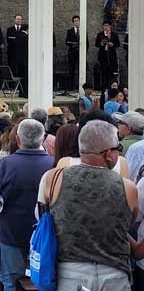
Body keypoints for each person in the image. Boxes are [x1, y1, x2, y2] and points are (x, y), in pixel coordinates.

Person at [40, 120, 136, 290]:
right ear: (108, 154)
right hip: (114, 274)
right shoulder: (128, 188)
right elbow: (128, 224)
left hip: (69, 272)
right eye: (117, 149)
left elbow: (41, 216)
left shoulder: (53, 179)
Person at [0, 120, 52, 290]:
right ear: (42, 139)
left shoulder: (5, 164)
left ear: (18, 140)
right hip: (44, 236)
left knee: (11, 281)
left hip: (11, 233)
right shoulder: (53, 165)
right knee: (42, 282)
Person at [5, 15, 28, 97]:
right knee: (15, 70)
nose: (19, 20)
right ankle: (13, 87)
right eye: (17, 19)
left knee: (20, 73)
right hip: (13, 54)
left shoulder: (21, 32)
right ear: (14, 20)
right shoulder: (10, 29)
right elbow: (9, 40)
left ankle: (20, 89)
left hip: (19, 56)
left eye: (20, 19)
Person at [96, 21, 121, 89]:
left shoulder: (114, 34)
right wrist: (101, 44)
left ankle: (112, 87)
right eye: (104, 26)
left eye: (107, 25)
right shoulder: (100, 34)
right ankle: (104, 88)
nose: (105, 27)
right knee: (104, 73)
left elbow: (118, 44)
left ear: (110, 26)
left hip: (112, 56)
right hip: (103, 56)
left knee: (111, 72)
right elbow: (96, 44)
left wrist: (113, 44)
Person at [65, 15, 86, 91]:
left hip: (80, 54)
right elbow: (66, 42)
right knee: (71, 70)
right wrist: (73, 44)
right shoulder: (70, 31)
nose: (77, 22)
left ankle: (80, 86)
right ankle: (71, 86)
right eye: (75, 21)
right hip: (72, 53)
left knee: (81, 70)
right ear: (73, 22)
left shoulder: (83, 31)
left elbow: (86, 43)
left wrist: (84, 52)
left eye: (78, 20)